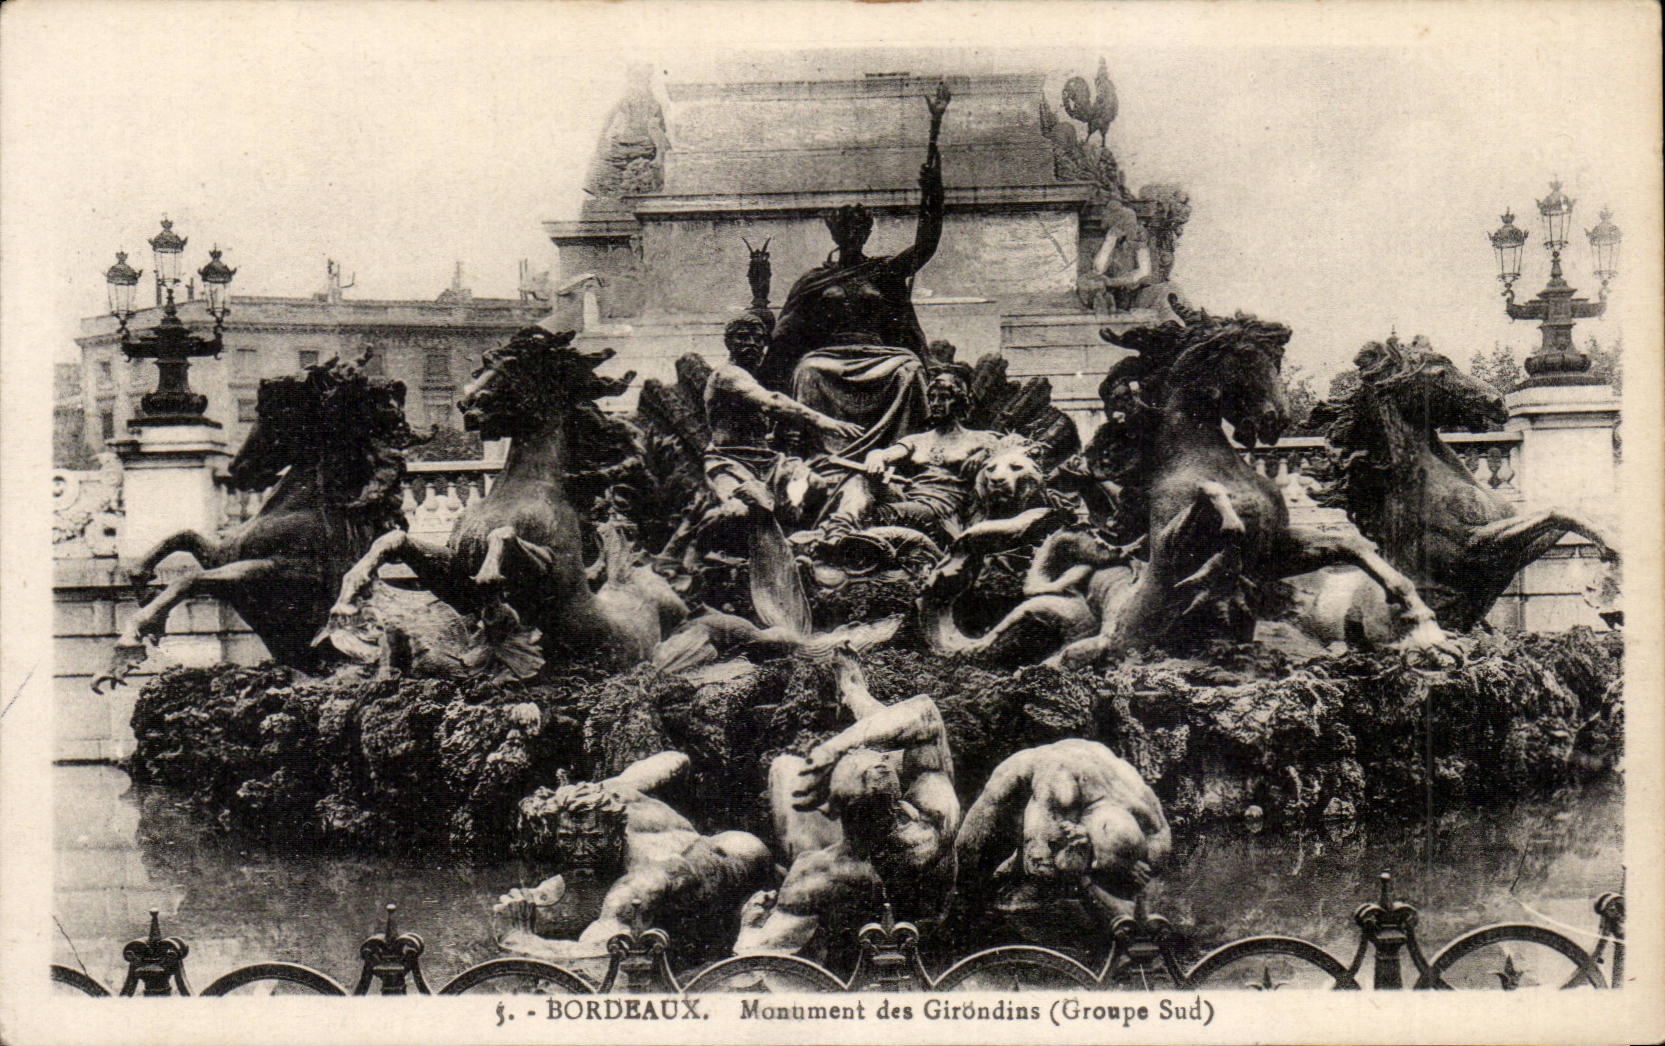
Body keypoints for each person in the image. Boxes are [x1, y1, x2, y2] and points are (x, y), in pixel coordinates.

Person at [760, 83, 953, 458]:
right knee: (807, 372)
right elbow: (787, 333)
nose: (851, 235)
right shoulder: (814, 280)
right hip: (830, 356)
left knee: (909, 371)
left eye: (858, 229)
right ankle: (818, 456)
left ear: (865, 233)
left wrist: (934, 191)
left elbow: (927, 242)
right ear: (835, 233)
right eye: (844, 230)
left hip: (881, 354)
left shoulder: (884, 271)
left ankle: (904, 453)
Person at [733, 652, 960, 959]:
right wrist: (837, 747)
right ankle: (855, 697)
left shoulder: (813, 875)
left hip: (843, 921)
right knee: (900, 741)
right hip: (926, 928)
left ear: (830, 809)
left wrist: (750, 923)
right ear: (899, 805)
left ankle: (853, 698)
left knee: (786, 768)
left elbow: (753, 955)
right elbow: (926, 714)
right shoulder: (933, 817)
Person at [494, 751, 773, 961]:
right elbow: (678, 760)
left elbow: (601, 953)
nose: (579, 851)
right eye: (567, 839)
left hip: (742, 861)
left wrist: (520, 938)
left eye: (593, 840)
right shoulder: (611, 792)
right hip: (700, 845)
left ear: (617, 833)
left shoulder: (641, 881)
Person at [953, 739, 1170, 921]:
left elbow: (1159, 846)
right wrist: (1084, 875)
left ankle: (1132, 933)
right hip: (1026, 772)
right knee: (967, 850)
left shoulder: (1141, 803)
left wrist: (1131, 865)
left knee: (1112, 878)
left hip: (1094, 763)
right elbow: (1038, 863)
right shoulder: (1058, 790)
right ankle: (960, 909)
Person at [817, 366, 1004, 546]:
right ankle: (836, 536)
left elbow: (1019, 449)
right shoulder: (917, 440)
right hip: (910, 497)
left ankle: (847, 538)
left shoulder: (980, 439)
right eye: (932, 398)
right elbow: (889, 453)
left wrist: (987, 454)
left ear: (961, 401)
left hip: (941, 509)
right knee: (860, 480)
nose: (937, 404)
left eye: (945, 398)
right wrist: (876, 456)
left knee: (881, 514)